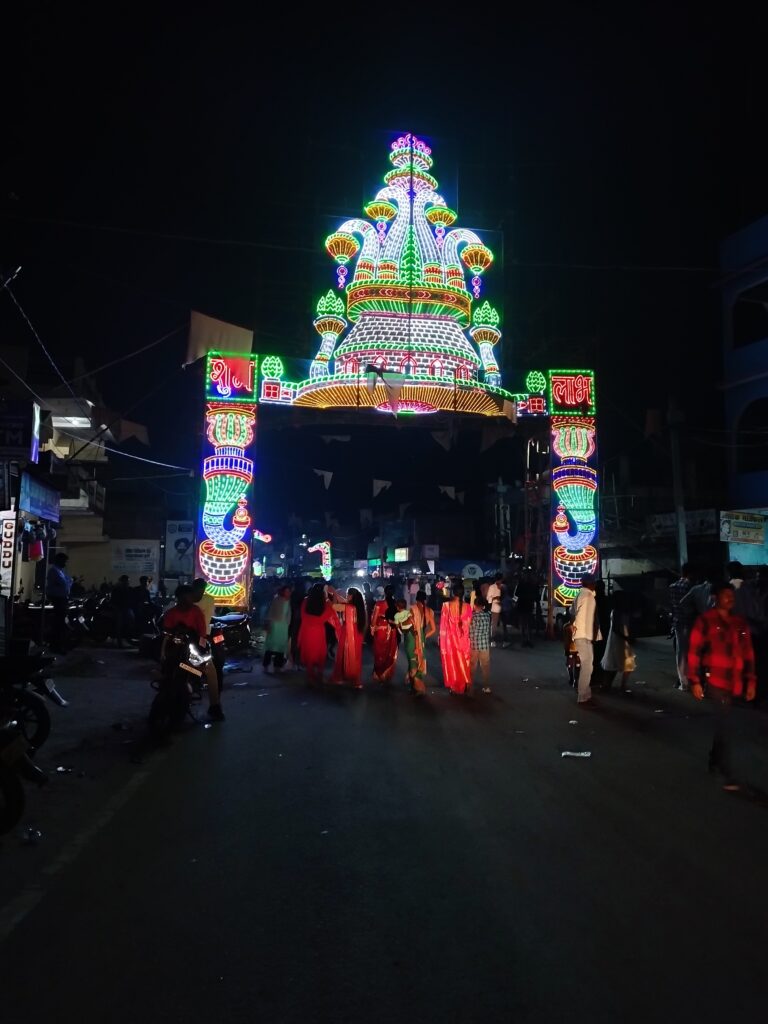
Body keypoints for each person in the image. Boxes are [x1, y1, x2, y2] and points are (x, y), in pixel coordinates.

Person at [688, 582, 756, 790]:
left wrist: (751, 681)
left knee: (724, 724)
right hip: (715, 680)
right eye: (726, 594)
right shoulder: (705, 621)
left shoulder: (739, 623)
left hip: (734, 681)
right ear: (716, 597)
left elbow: (748, 653)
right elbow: (693, 652)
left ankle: (714, 759)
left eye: (731, 595)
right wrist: (695, 681)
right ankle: (726, 771)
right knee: (725, 725)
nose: (730, 598)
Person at [162, 584, 224, 721]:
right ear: (178, 598)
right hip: (175, 652)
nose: (186, 600)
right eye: (183, 598)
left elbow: (202, 634)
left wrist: (201, 650)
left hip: (191, 650)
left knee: (209, 669)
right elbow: (165, 633)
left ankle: (215, 705)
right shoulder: (171, 613)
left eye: (188, 597)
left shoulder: (196, 612)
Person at [298, 583, 341, 684]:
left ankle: (310, 675)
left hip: (307, 631)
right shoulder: (325, 604)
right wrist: (332, 594)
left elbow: (302, 615)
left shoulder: (305, 601)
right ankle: (320, 675)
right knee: (320, 653)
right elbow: (333, 610)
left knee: (309, 653)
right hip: (318, 631)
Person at [571, 573, 602, 706]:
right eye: (593, 582)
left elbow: (572, 613)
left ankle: (586, 693)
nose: (594, 584)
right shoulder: (589, 596)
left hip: (580, 635)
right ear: (589, 583)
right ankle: (582, 695)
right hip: (585, 635)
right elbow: (593, 619)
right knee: (587, 666)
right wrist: (594, 635)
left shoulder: (579, 595)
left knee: (587, 665)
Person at [439, 583, 472, 695]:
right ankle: (465, 683)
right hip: (463, 640)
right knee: (464, 662)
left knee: (452, 662)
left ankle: (453, 686)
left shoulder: (446, 605)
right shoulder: (468, 607)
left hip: (450, 641)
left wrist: (442, 640)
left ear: (453, 593)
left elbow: (443, 625)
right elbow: (468, 625)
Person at [192, 577, 223, 692]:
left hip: (201, 634)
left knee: (201, 658)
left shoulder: (202, 600)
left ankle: (199, 680)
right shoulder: (206, 599)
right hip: (199, 634)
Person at [600, 591, 635, 693]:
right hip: (618, 640)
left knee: (626, 663)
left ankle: (620, 685)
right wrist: (626, 637)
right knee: (616, 663)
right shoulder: (616, 611)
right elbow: (615, 628)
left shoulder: (622, 611)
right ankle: (611, 685)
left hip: (622, 639)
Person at [331, 587, 366, 688]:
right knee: (356, 656)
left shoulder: (348, 607)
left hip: (348, 632)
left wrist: (333, 595)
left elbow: (334, 606)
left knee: (344, 654)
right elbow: (343, 601)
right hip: (357, 633)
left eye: (348, 595)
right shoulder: (358, 607)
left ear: (351, 596)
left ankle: (343, 676)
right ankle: (355, 679)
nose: (347, 596)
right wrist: (335, 594)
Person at [669, 563, 694, 691]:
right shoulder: (690, 586)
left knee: (680, 653)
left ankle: (683, 682)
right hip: (689, 622)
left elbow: (672, 607)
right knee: (691, 652)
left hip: (678, 622)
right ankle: (690, 680)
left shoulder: (673, 586)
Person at [394, 599, 425, 694]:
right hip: (411, 638)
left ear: (397, 607)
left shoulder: (397, 615)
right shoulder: (409, 613)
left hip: (409, 640)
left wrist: (399, 626)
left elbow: (398, 627)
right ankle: (414, 686)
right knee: (413, 662)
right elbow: (414, 625)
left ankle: (419, 688)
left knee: (413, 665)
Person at [371, 585, 399, 683]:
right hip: (392, 630)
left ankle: (378, 673)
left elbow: (374, 618)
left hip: (381, 629)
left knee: (379, 652)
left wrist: (372, 628)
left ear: (385, 592)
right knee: (389, 652)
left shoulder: (379, 604)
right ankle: (386, 674)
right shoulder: (396, 604)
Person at [46, 552, 72, 654]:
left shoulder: (60, 571)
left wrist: (68, 582)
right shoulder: (54, 571)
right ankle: (55, 646)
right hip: (58, 600)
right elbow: (65, 583)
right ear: (59, 560)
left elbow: (68, 583)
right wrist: (68, 582)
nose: (65, 563)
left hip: (62, 599)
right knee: (58, 624)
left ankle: (59, 645)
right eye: (64, 561)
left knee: (61, 624)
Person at [263, 585, 292, 674]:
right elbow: (271, 612)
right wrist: (269, 623)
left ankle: (277, 666)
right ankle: (266, 665)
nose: (288, 593)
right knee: (271, 646)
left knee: (281, 648)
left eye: (289, 591)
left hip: (284, 626)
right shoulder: (277, 600)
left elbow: (289, 614)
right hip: (275, 625)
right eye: (286, 591)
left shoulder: (289, 601)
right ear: (282, 592)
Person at [469, 596, 493, 695]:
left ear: (474, 605)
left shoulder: (472, 616)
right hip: (484, 645)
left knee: (472, 667)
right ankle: (486, 687)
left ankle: (470, 688)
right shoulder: (487, 616)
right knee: (485, 667)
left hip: (474, 645)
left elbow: (469, 631)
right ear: (483, 606)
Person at [412, 589, 437, 682]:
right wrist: (424, 635)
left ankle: (414, 680)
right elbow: (434, 629)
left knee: (413, 658)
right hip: (422, 635)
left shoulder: (413, 609)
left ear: (416, 598)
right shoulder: (429, 611)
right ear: (425, 599)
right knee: (421, 656)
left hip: (412, 636)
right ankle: (418, 678)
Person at [515, 571, 539, 648]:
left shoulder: (521, 584)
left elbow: (516, 594)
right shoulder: (532, 585)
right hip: (529, 606)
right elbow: (536, 595)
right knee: (529, 624)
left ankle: (524, 640)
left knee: (523, 624)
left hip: (522, 605)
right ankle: (529, 640)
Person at [111, 574, 136, 648]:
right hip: (120, 609)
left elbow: (133, 598)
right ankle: (120, 642)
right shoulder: (117, 589)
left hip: (127, 608)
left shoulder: (129, 589)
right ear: (122, 581)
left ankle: (129, 639)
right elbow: (113, 600)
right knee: (119, 624)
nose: (127, 582)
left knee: (132, 621)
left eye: (127, 581)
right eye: (125, 581)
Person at [486, 573, 503, 647]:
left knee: (499, 624)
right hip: (497, 607)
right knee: (494, 624)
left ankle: (501, 640)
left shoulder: (502, 587)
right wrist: (494, 598)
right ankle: (493, 639)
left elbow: (488, 598)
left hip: (501, 607)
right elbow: (488, 598)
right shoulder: (493, 587)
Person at [562, 618, 580, 689]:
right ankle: (574, 679)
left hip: (572, 648)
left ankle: (573, 679)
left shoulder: (566, 626)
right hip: (574, 648)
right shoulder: (567, 627)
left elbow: (565, 639)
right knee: (575, 665)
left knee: (572, 665)